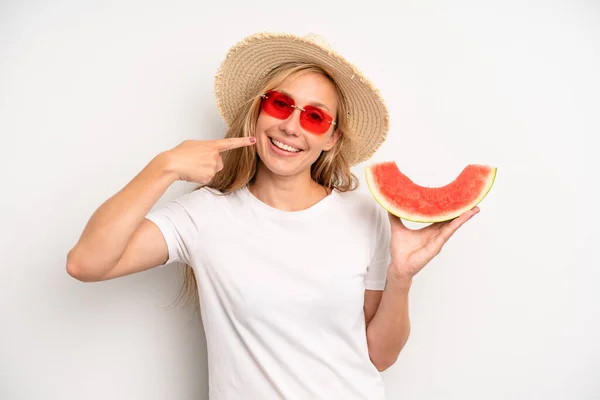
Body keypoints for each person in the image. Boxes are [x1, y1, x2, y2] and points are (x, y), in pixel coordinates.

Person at [66, 32, 479, 399]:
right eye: (281, 105)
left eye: (315, 116)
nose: (291, 126)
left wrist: (400, 278)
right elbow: (86, 263)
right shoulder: (204, 215)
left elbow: (380, 357)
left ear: (331, 137)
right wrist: (164, 167)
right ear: (259, 112)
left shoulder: (365, 214)